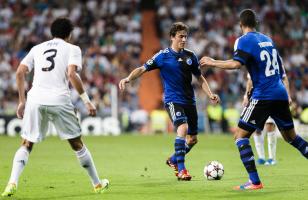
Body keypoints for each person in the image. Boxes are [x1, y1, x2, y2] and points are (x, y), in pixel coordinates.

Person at [200, 9, 308, 190]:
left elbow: (236, 64)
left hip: (263, 95)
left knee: (240, 137)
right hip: (280, 93)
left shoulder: (243, 40)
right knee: (292, 138)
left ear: (240, 24)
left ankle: (255, 182)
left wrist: (212, 62)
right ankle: (255, 180)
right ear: (255, 23)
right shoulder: (268, 39)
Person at [1, 18, 109, 197]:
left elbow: (20, 72)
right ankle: (97, 184)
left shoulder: (37, 48)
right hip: (59, 99)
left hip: (35, 99)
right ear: (69, 34)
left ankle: (12, 182)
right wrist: (86, 100)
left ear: (52, 32)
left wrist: (22, 101)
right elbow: (72, 74)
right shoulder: (72, 48)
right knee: (77, 144)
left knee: (27, 143)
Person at [119, 22, 220, 181]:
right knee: (183, 127)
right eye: (180, 36)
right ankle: (181, 170)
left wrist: (210, 93)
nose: (184, 39)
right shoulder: (162, 56)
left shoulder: (190, 56)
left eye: (185, 36)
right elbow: (142, 68)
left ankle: (173, 160)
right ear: (172, 37)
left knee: (192, 140)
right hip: (173, 100)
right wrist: (128, 78)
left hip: (189, 101)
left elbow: (199, 78)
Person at [243, 73, 291, 166]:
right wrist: (246, 96)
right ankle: (261, 157)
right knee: (256, 129)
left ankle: (271, 158)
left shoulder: (276, 60)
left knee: (270, 126)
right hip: (256, 98)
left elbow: (284, 78)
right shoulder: (253, 60)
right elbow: (250, 80)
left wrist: (287, 95)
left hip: (272, 97)